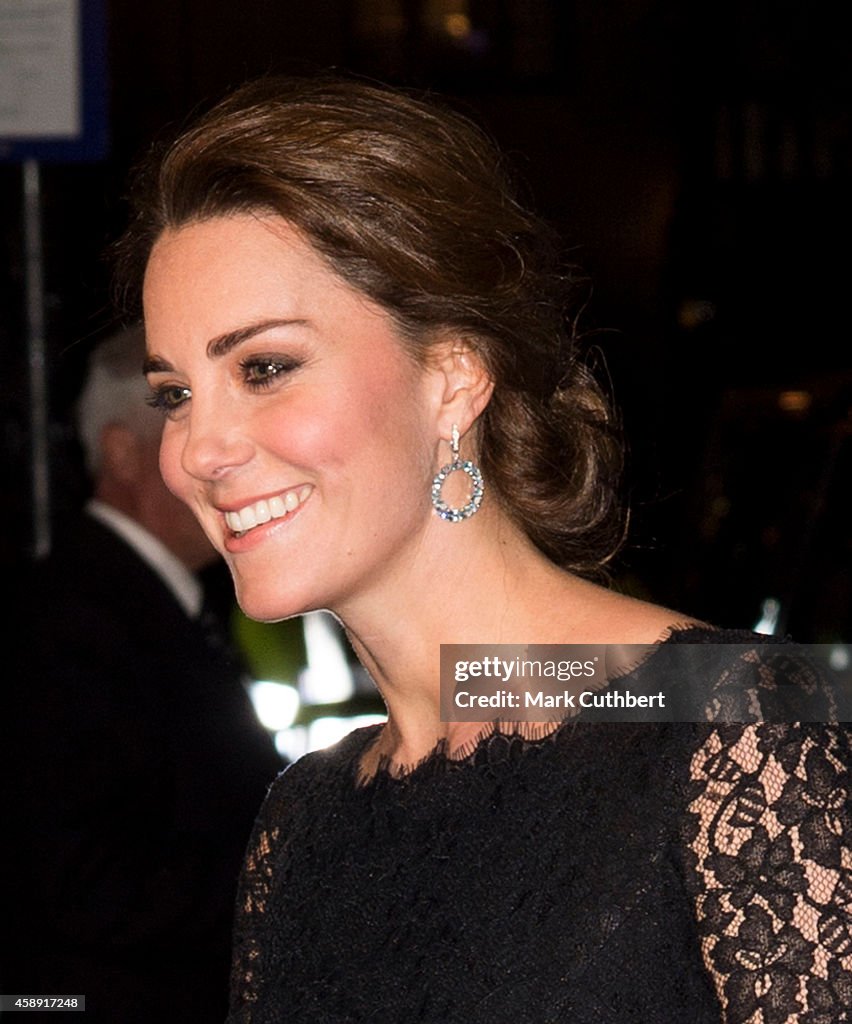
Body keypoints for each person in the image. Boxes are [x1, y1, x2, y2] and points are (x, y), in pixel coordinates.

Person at [114, 75, 851, 1022]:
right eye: (174, 393)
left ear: (453, 375)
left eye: (264, 368)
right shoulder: (302, 826)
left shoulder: (734, 730)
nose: (199, 451)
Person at [2, 326, 283, 1023]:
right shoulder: (72, 620)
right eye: (180, 419)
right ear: (122, 452)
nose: (223, 462)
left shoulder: (145, 603)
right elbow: (82, 881)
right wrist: (296, 863)